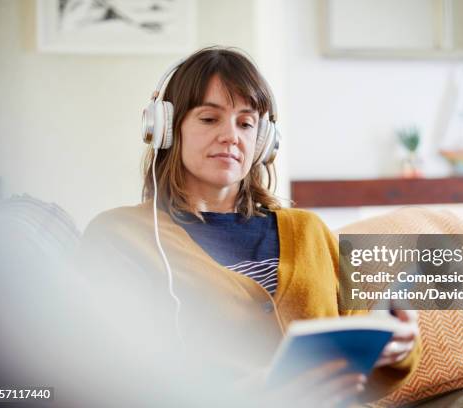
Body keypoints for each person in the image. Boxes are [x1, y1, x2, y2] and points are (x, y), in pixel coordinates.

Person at [76, 46, 421, 407]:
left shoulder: (308, 231)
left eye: (245, 123)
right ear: (166, 128)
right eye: (209, 119)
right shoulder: (120, 237)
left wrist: (399, 347)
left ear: (263, 141)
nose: (231, 136)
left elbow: (365, 358)